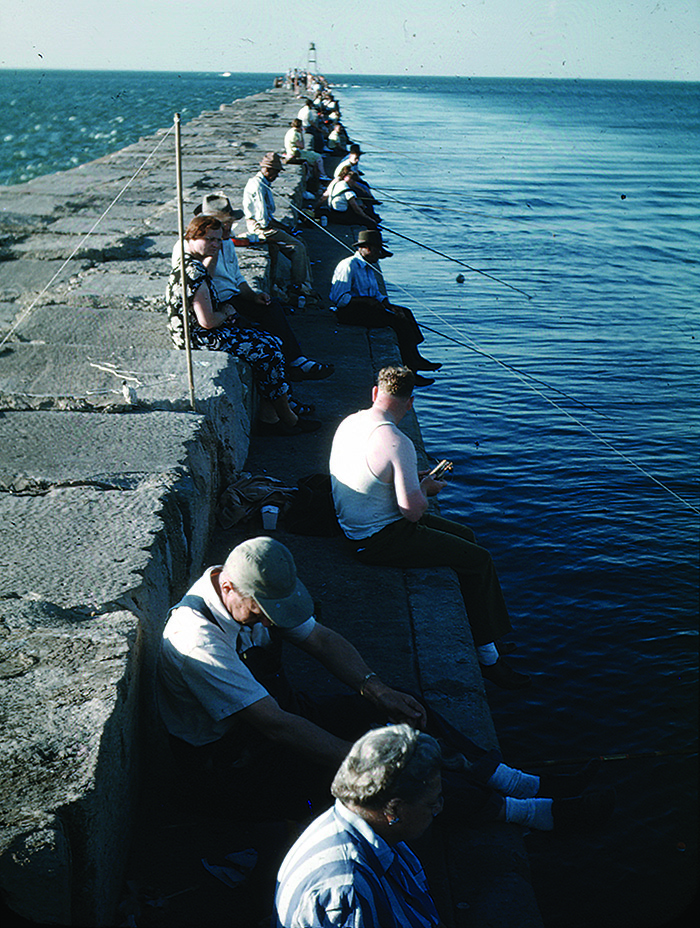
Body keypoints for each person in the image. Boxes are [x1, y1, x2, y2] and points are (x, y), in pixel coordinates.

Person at [157, 536, 612, 828]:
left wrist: (376, 688)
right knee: (389, 780)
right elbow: (274, 725)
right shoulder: (196, 638)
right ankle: (529, 814)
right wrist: (360, 762)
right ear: (230, 590)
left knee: (405, 709)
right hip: (235, 760)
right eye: (260, 611)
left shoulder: (252, 584)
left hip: (281, 715)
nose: (267, 619)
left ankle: (512, 780)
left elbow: (321, 639)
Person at [329, 365, 530, 688]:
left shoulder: (351, 422)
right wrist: (427, 489)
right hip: (378, 538)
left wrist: (414, 479)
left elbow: (377, 478)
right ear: (410, 403)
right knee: (478, 560)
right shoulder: (397, 441)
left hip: (355, 525)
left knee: (467, 536)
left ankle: (485, 636)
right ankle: (490, 661)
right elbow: (412, 512)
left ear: (375, 393)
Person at [273, 725, 445, 928]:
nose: (438, 809)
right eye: (431, 803)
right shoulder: (348, 889)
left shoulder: (367, 827)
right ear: (394, 809)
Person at [165, 214, 320, 436]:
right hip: (197, 338)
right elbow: (207, 321)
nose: (216, 245)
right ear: (192, 236)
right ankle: (287, 418)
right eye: (210, 239)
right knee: (267, 349)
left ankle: (274, 415)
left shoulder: (188, 262)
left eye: (219, 240)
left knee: (271, 341)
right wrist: (227, 312)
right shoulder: (194, 270)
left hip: (194, 333)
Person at [176, 193, 334, 385]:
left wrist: (253, 296)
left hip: (234, 297)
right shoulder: (188, 249)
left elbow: (237, 279)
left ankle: (297, 361)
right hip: (216, 304)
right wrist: (212, 257)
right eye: (223, 224)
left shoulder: (225, 242)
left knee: (273, 307)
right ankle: (288, 384)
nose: (228, 228)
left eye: (228, 223)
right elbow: (199, 282)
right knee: (261, 338)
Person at [329, 230, 440, 386]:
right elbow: (339, 299)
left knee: (405, 312)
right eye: (377, 250)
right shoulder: (348, 265)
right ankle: (412, 369)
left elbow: (376, 294)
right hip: (349, 312)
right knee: (396, 322)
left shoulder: (369, 268)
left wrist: (389, 305)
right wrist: (366, 301)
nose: (379, 255)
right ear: (366, 248)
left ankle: (416, 358)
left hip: (367, 309)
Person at [242, 152, 318, 307]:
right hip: (259, 228)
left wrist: (287, 229)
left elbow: (270, 217)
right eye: (276, 172)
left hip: (265, 225)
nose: (277, 176)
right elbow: (263, 221)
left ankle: (306, 283)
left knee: (300, 240)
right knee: (298, 247)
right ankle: (298, 285)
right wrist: (283, 231)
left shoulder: (263, 183)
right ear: (268, 170)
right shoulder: (258, 186)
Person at [283, 117, 330, 183]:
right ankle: (323, 174)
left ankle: (317, 178)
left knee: (313, 159)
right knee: (318, 157)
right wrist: (302, 135)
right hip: (295, 153)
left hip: (291, 151)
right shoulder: (295, 134)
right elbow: (302, 146)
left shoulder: (290, 131)